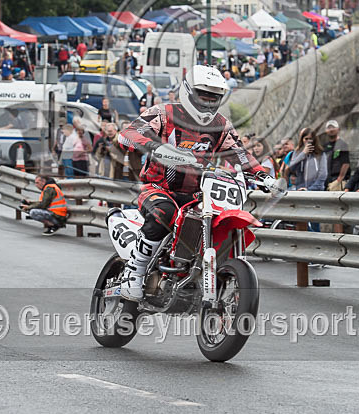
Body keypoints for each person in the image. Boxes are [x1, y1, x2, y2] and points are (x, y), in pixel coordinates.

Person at [117, 65, 277, 300]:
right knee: (164, 212)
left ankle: (203, 273)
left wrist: (263, 176)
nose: (208, 102)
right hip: (159, 188)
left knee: (214, 221)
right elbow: (128, 135)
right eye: (203, 96)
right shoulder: (163, 113)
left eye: (214, 98)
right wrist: (156, 147)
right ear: (189, 92)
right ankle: (135, 270)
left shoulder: (220, 125)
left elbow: (239, 154)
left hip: (198, 195)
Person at [321, 119, 350, 190]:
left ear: (338, 129)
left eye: (333, 127)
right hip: (327, 179)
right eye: (329, 128)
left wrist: (339, 179)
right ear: (326, 131)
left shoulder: (342, 144)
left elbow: (346, 163)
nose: (331, 130)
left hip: (338, 179)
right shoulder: (325, 146)